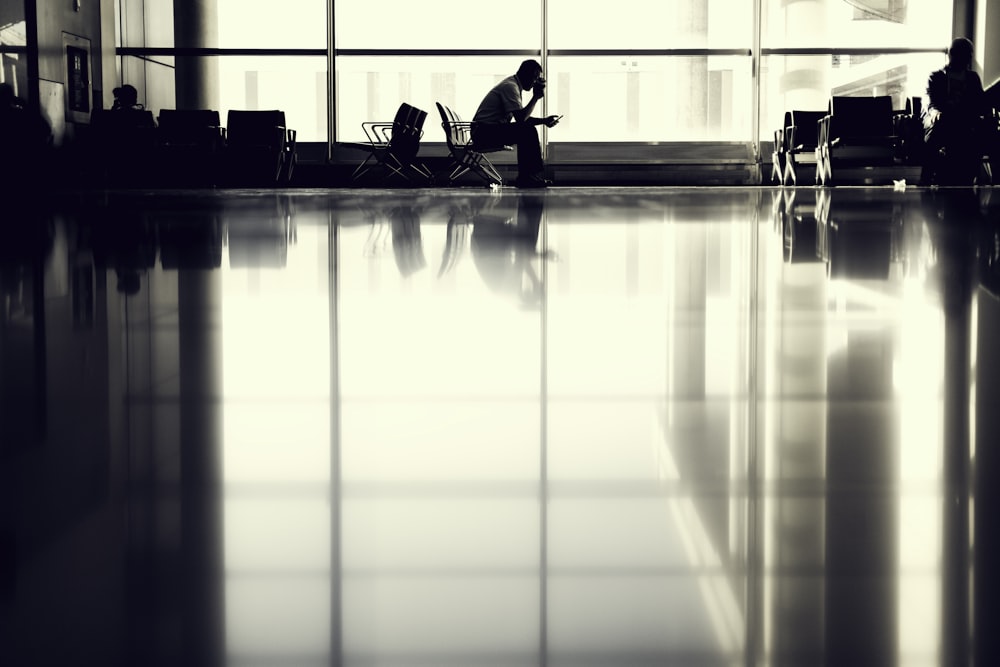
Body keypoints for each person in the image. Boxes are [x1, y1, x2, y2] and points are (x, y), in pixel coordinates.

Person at [472, 59, 561, 188]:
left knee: (526, 130)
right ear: (526, 74)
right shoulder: (510, 87)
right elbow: (521, 119)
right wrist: (535, 97)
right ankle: (527, 177)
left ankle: (529, 176)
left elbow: (521, 119)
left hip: (485, 130)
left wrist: (544, 121)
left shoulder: (513, 85)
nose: (535, 82)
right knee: (527, 131)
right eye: (534, 77)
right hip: (483, 132)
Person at [921, 38, 988, 186]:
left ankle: (970, 178)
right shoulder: (936, 77)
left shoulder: (972, 78)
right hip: (945, 121)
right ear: (953, 54)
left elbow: (980, 103)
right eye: (966, 54)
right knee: (940, 130)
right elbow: (930, 103)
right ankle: (926, 179)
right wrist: (935, 114)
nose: (969, 58)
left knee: (980, 131)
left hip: (964, 121)